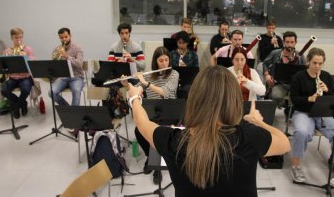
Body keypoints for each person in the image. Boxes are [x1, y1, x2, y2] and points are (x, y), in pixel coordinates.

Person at [122, 65, 290, 197]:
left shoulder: (172, 140)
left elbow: (141, 121)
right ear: (233, 101)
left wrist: (134, 97)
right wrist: (258, 122)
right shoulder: (250, 136)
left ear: (194, 98)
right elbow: (284, 143)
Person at [290, 47, 334, 196]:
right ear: (308, 62)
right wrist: (309, 98)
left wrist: (327, 91)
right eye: (314, 63)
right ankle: (296, 167)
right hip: (304, 112)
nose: (317, 66)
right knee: (301, 132)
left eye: (320, 63)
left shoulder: (326, 76)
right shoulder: (298, 77)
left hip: (323, 113)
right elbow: (294, 99)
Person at [132, 46, 179, 184]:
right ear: (155, 62)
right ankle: (150, 156)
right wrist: (127, 85)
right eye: (161, 61)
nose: (164, 63)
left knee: (159, 131)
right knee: (138, 131)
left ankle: (159, 165)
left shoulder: (174, 74)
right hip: (153, 112)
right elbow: (137, 91)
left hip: (170, 112)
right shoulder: (148, 75)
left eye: (166, 60)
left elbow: (165, 92)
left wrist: (146, 84)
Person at [260, 31, 305, 108]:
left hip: (295, 86)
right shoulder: (275, 53)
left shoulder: (300, 56)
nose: (290, 45)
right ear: (283, 42)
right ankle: (283, 108)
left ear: (295, 42)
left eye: (292, 42)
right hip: (279, 84)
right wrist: (267, 75)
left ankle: (292, 111)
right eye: (287, 42)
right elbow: (265, 63)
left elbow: (305, 71)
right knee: (276, 95)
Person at [1, 28, 35, 119]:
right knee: (4, 91)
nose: (18, 39)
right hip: (13, 77)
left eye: (20, 37)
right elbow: (4, 66)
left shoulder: (28, 49)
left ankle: (16, 107)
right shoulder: (7, 51)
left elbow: (32, 64)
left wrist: (26, 57)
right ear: (11, 38)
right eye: (16, 37)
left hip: (25, 77)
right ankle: (22, 103)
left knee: (25, 90)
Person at [49, 28, 84, 107]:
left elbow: (79, 64)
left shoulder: (77, 48)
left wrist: (67, 56)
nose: (64, 39)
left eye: (66, 37)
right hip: (63, 77)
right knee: (51, 92)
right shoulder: (56, 49)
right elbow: (54, 66)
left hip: (76, 77)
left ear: (70, 35)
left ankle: (73, 113)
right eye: (61, 38)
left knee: (76, 91)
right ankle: (67, 109)